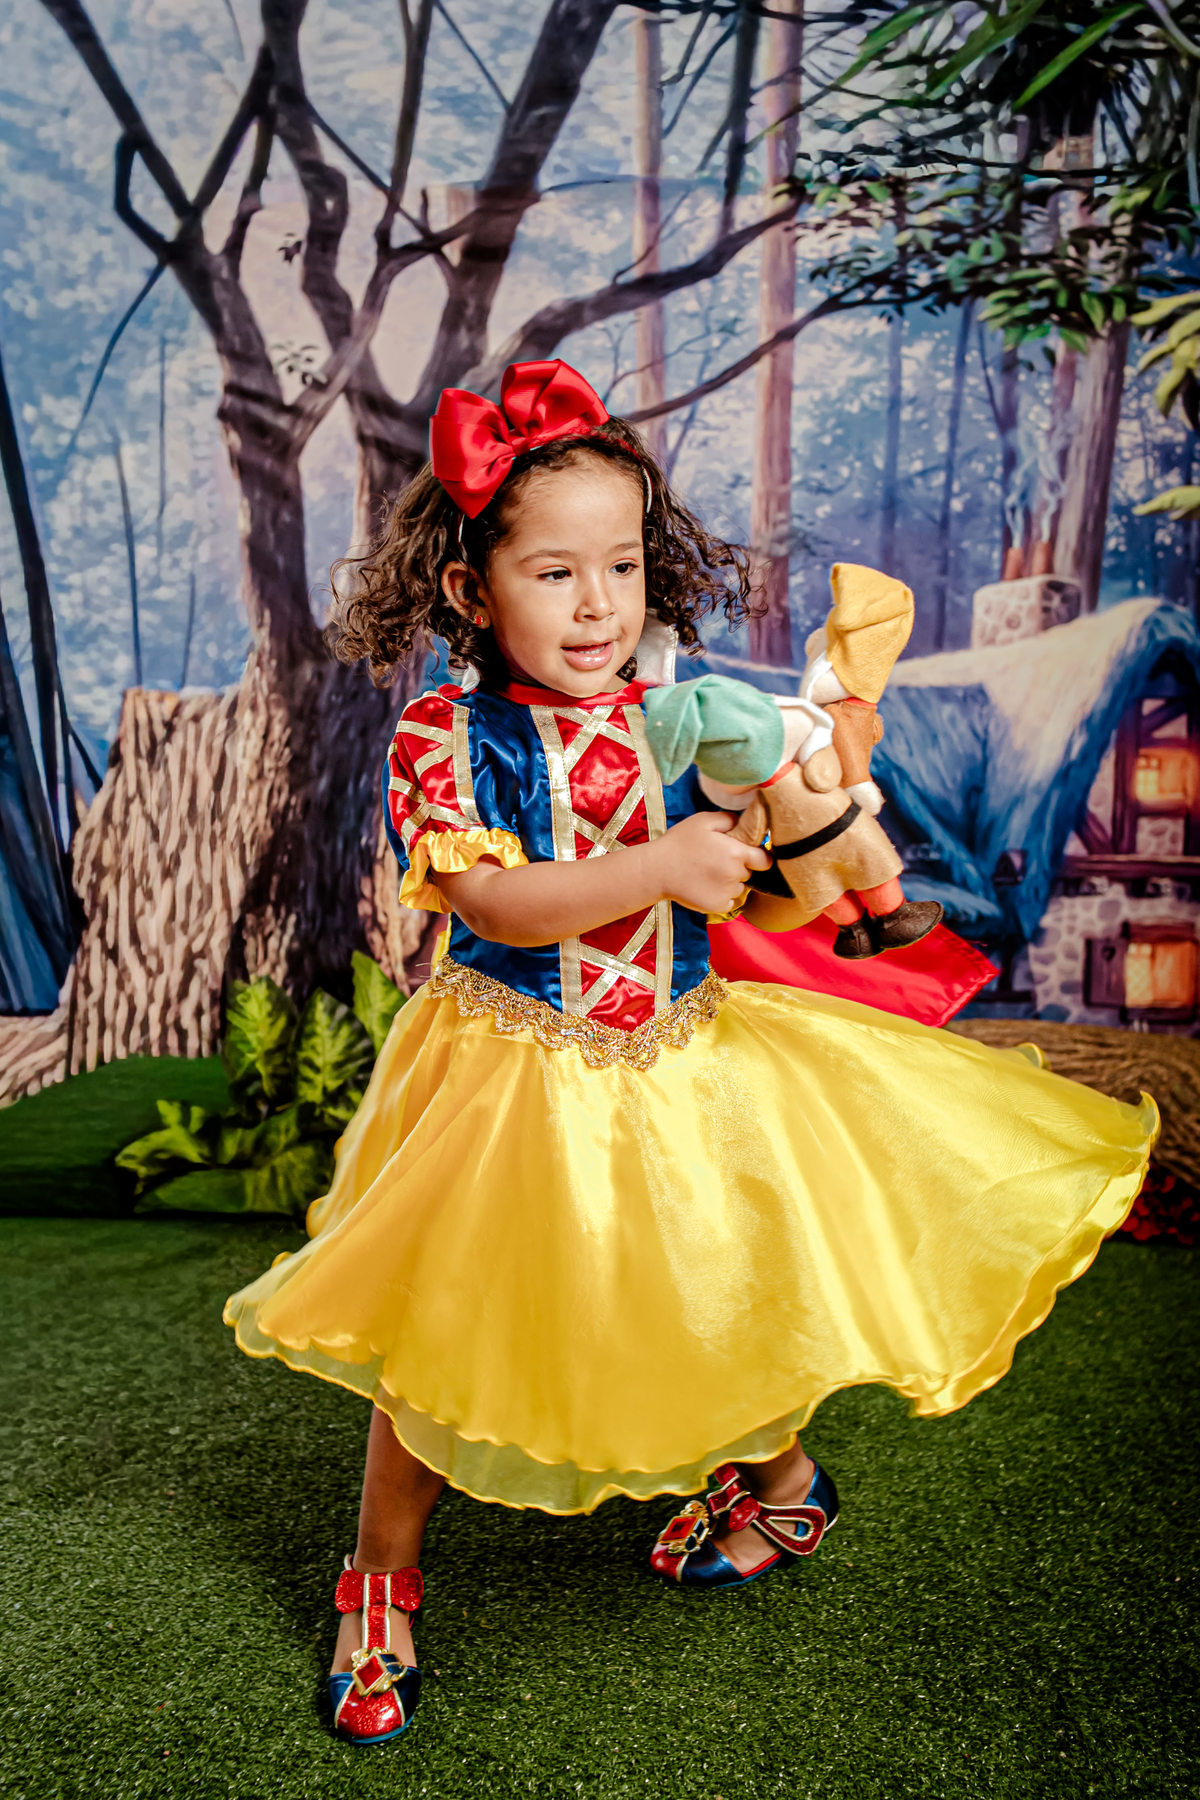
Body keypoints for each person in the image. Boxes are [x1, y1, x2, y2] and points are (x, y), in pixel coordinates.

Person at [224, 359, 1157, 1748]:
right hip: (512, 1070)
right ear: (473, 589)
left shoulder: (693, 713)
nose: (599, 604)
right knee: (442, 1330)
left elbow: (758, 895)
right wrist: (663, 859)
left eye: (621, 565)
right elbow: (491, 903)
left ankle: (783, 1475)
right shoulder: (446, 735)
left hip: (680, 1056)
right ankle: (381, 1577)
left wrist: (796, 848)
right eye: (554, 572)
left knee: (703, 1290)